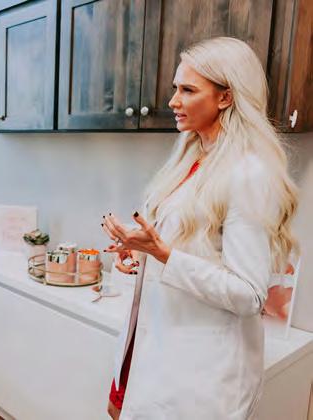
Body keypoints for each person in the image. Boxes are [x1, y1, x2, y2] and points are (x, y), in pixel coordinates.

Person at [101, 37, 299, 419]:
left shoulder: (249, 174)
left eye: (188, 90)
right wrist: (140, 250)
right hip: (157, 345)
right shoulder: (192, 159)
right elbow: (190, 245)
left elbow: (249, 294)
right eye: (176, 88)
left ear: (226, 97)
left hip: (201, 372)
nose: (173, 101)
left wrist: (162, 254)